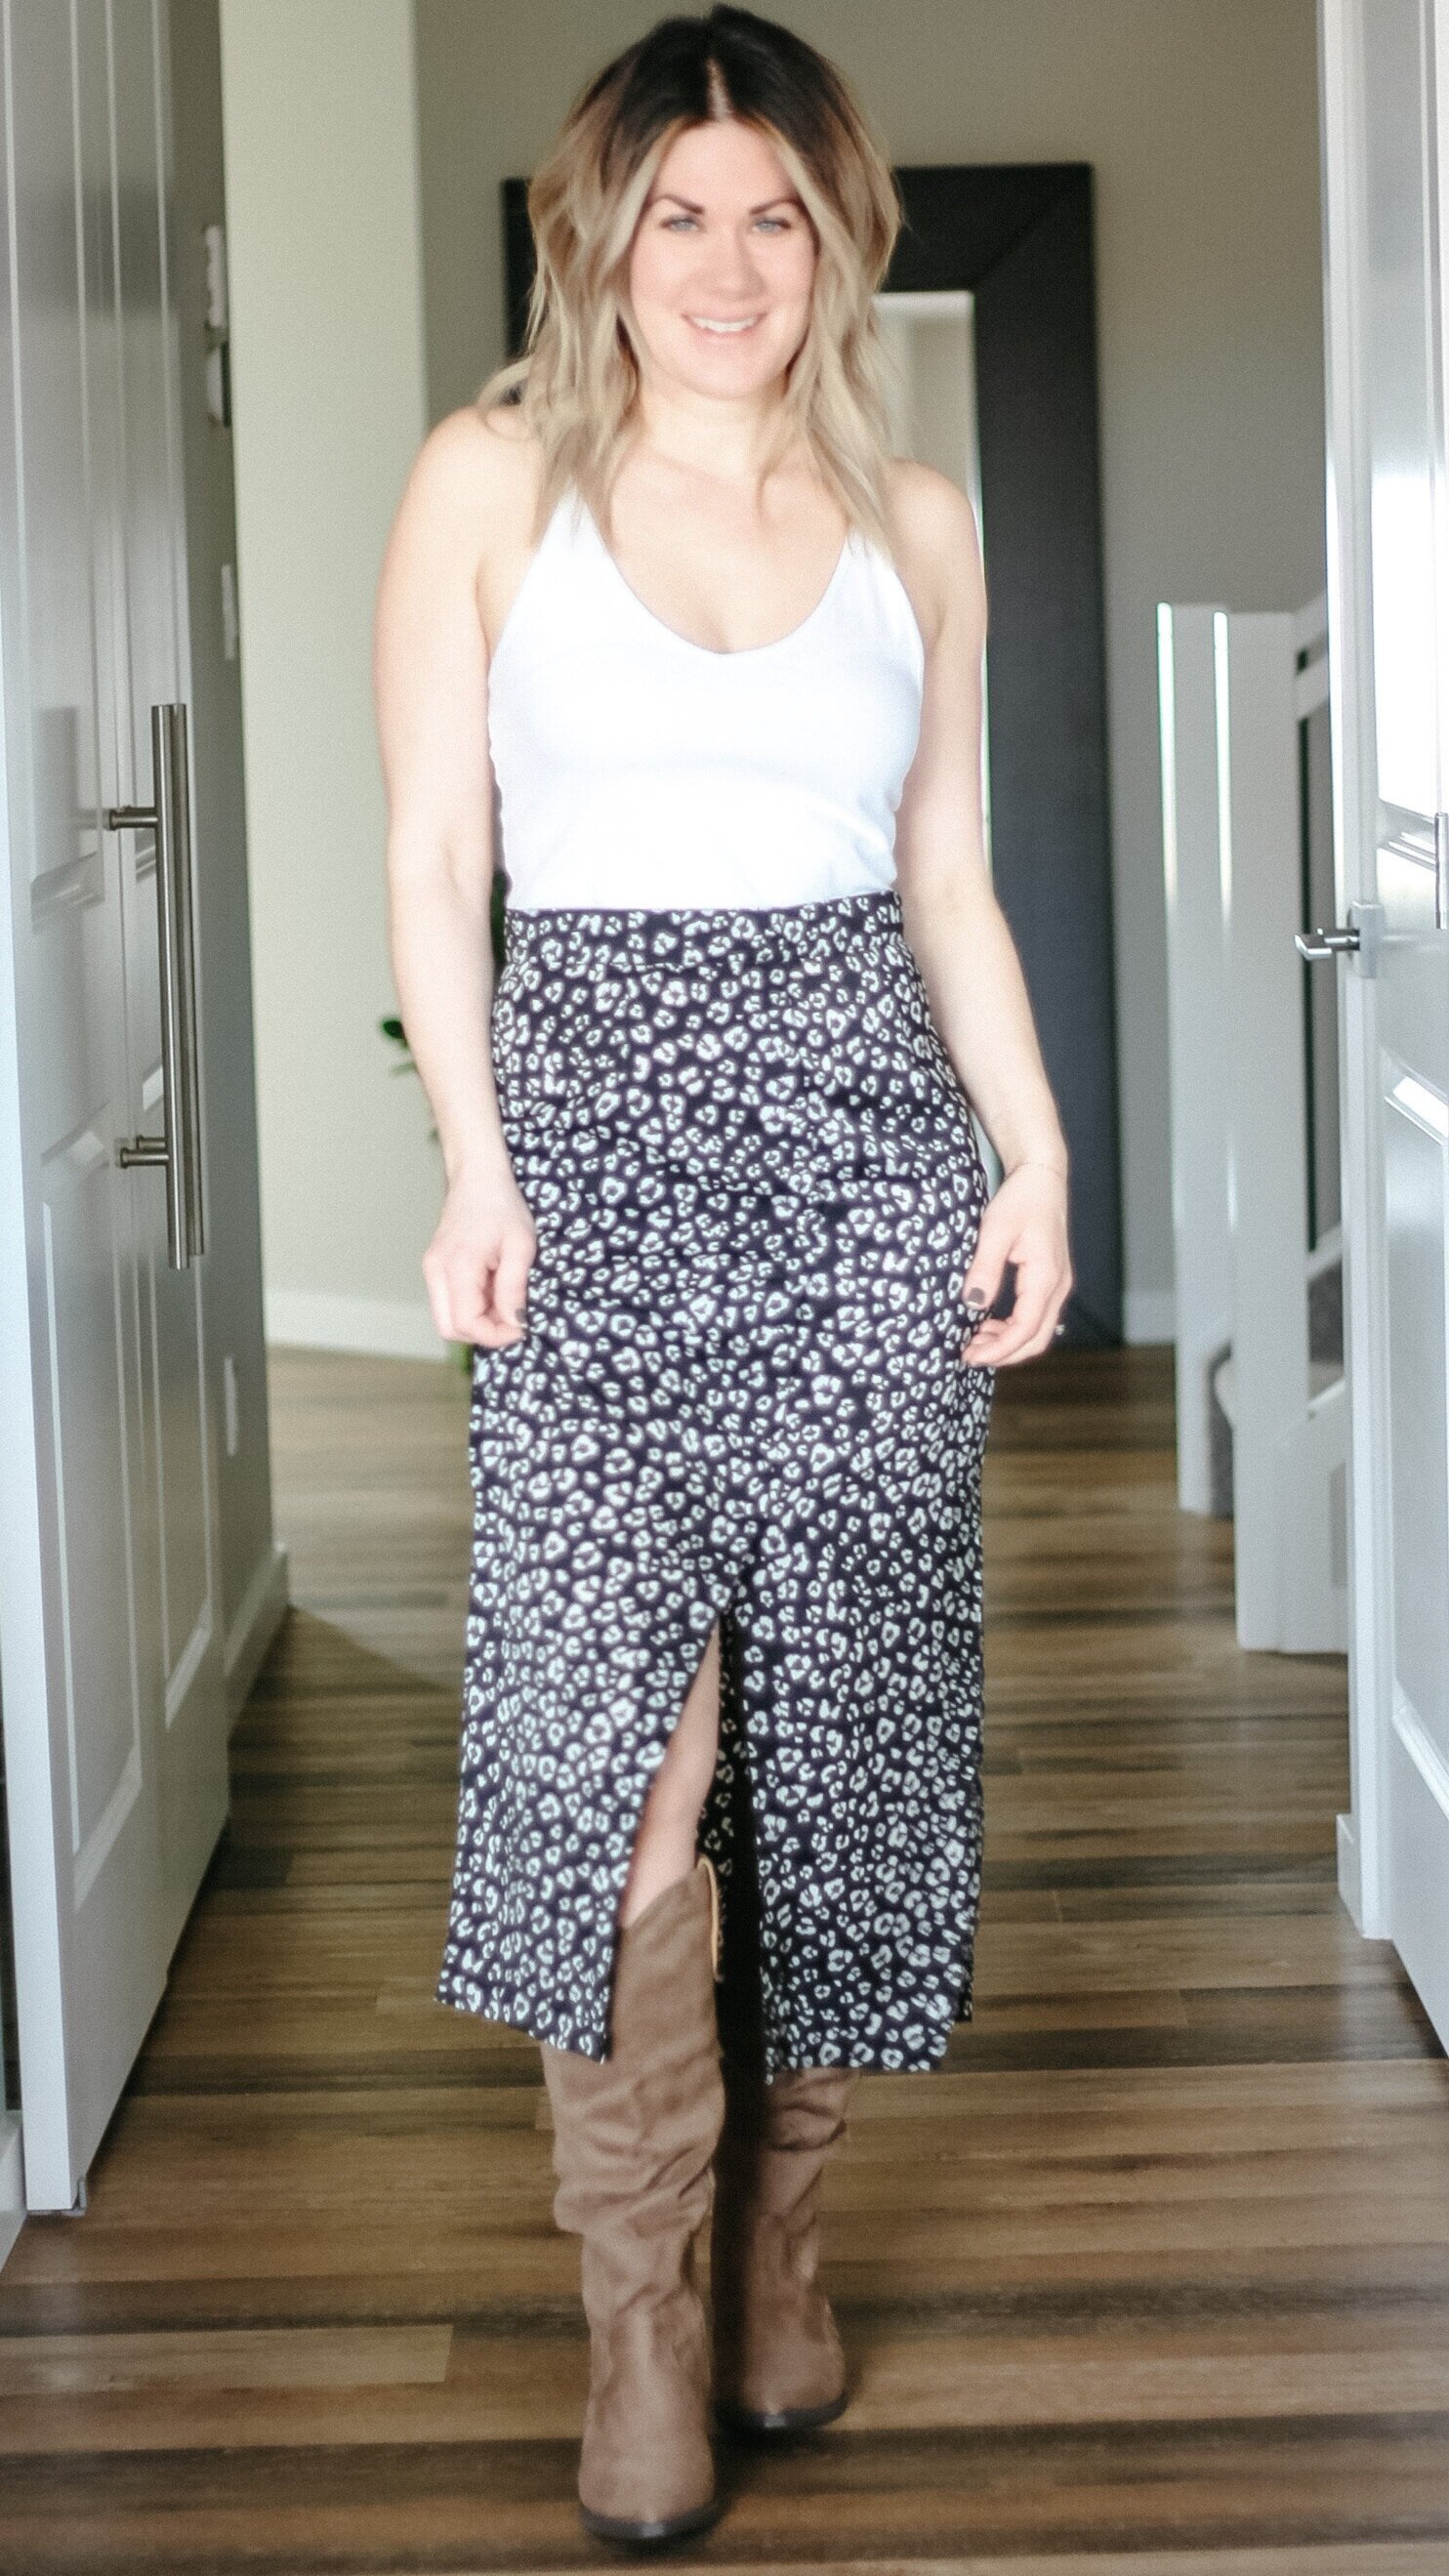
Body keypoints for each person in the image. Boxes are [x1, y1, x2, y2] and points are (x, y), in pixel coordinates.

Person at [373, 5, 1071, 2547]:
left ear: (836, 234)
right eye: (680, 206)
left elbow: (946, 874)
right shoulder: (486, 479)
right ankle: (639, 2327)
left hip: (869, 1172)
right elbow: (438, 865)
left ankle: (784, 2259)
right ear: (603, 229)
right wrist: (471, 1165)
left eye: (775, 209)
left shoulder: (910, 515)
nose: (728, 258)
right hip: (587, 1174)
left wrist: (1032, 1151)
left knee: (854, 1738)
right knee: (623, 1744)